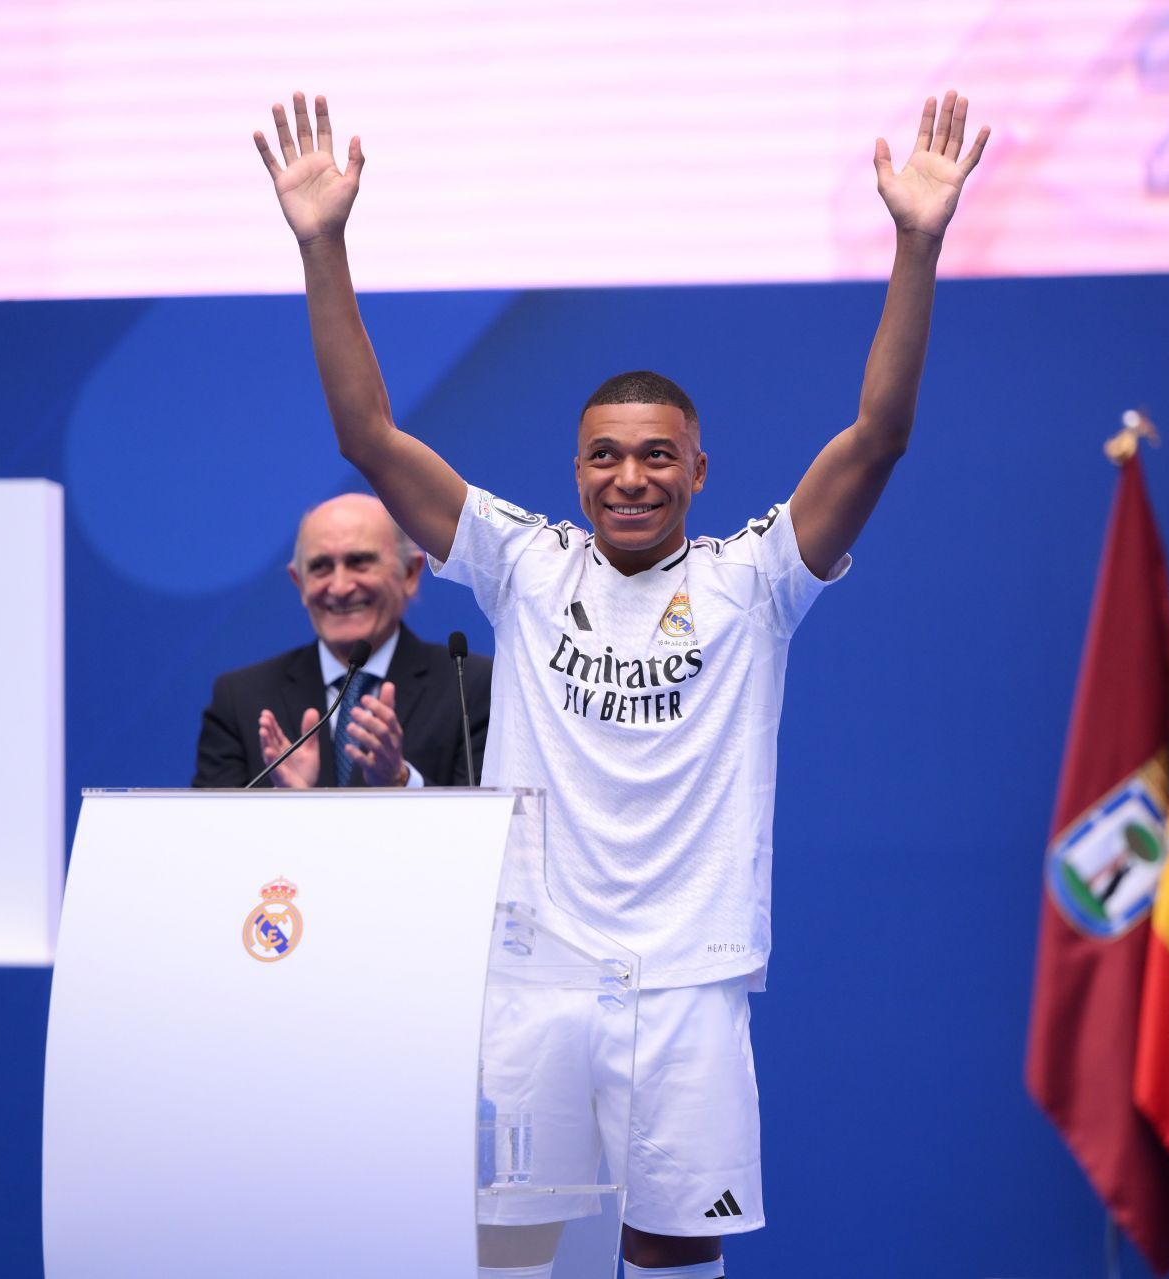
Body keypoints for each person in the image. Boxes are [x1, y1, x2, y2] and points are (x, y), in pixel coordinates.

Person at [255, 90, 987, 1276]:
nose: (630, 476)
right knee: (514, 1258)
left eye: (657, 454)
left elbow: (878, 435)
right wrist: (322, 244)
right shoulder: (522, 565)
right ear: (577, 470)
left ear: (699, 466)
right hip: (532, 976)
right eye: (606, 454)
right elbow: (369, 433)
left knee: (664, 1262)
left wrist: (917, 244)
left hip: (691, 984)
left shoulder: (758, 579)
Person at [193, 491, 491, 788]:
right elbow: (206, 831)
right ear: (299, 583)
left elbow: (490, 826)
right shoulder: (240, 698)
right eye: (320, 567)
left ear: (410, 573)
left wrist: (400, 782)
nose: (340, 587)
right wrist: (285, 807)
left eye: (359, 562)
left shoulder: (471, 687)